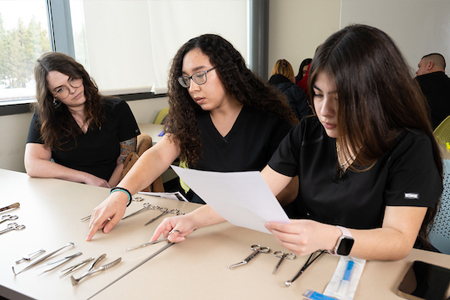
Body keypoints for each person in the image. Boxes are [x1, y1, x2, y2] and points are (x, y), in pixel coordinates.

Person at [150, 24, 443, 261]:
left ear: (377, 94)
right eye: (317, 94)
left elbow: (399, 240)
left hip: (375, 267)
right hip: (313, 258)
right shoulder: (307, 132)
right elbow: (255, 193)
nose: (324, 111)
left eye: (340, 99)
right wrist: (193, 221)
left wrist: (329, 237)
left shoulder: (409, 147)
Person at [86, 34, 297, 241]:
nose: (193, 88)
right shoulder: (191, 117)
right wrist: (121, 193)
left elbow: (289, 189)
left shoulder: (271, 119)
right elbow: (159, 154)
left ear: (229, 71)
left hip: (252, 224)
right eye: (186, 79)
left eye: (200, 75)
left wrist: (233, 209)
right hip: (197, 221)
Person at [25, 52, 140, 188]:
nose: (73, 90)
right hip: (70, 190)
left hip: (114, 188)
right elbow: (33, 165)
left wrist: (108, 190)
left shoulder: (117, 108)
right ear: (53, 96)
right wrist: (85, 178)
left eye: (73, 79)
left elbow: (126, 160)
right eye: (61, 89)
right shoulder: (45, 116)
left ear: (81, 75)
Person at [415, 53, 450, 129]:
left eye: (419, 66)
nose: (417, 71)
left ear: (429, 65)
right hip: (445, 139)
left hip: (424, 137)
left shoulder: (416, 84)